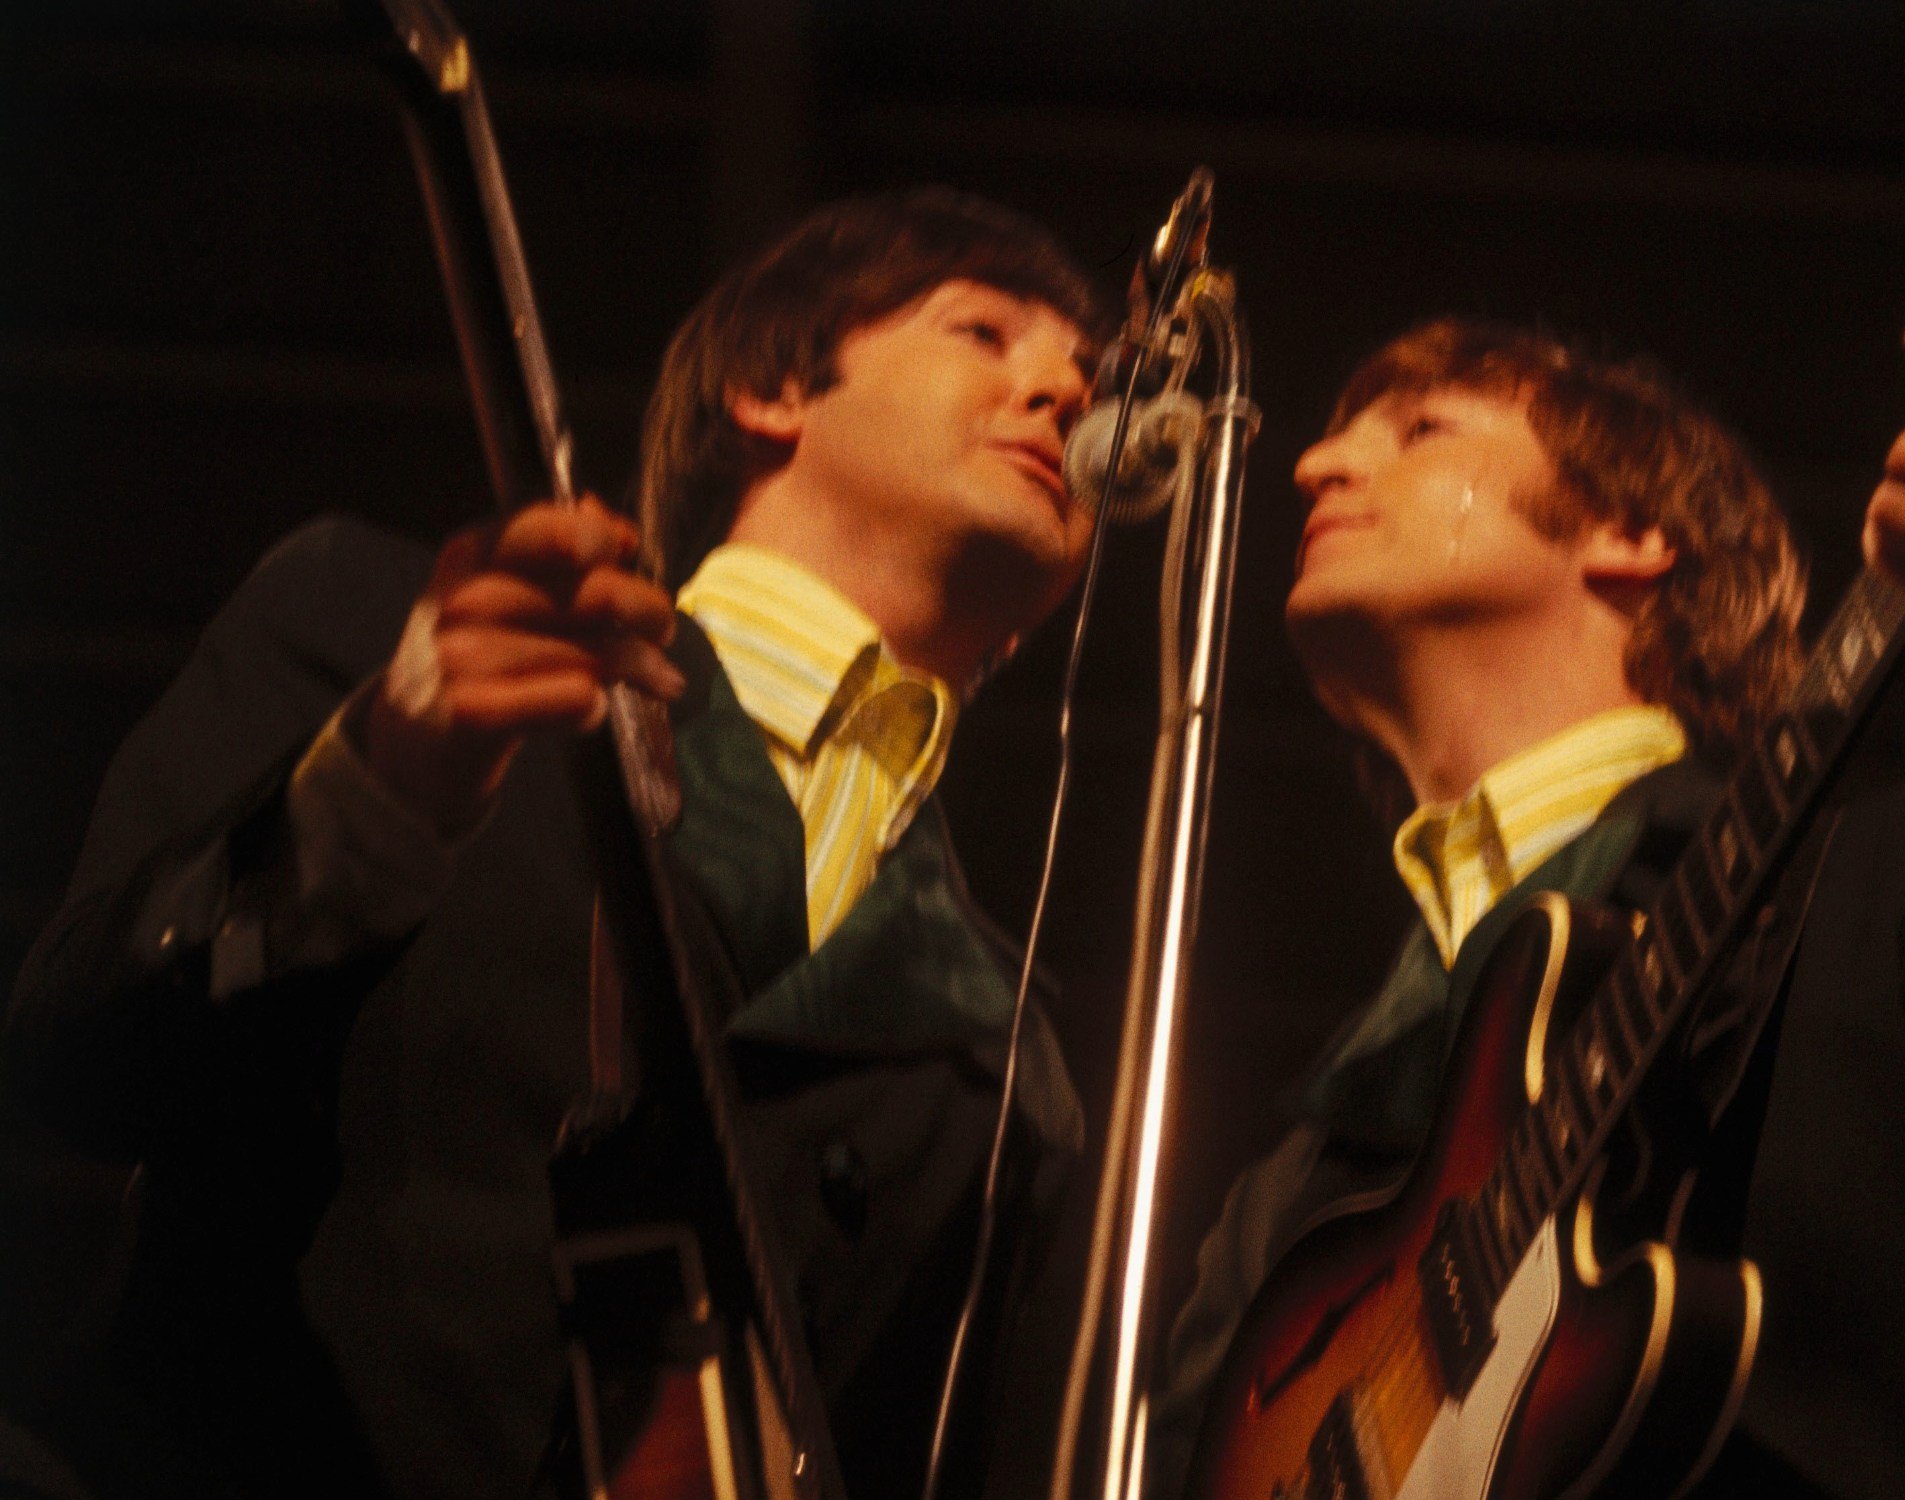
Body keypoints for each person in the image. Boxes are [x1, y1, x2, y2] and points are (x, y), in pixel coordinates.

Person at [5, 188, 1099, 1499]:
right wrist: (372, 797)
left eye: (1085, 382)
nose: (1063, 397)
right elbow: (76, 1062)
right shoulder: (371, 615)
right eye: (984, 333)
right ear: (771, 390)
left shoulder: (1011, 1051)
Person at [1150, 314, 1905, 1497]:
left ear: (1633, 535)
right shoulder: (1290, 1198)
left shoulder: (1882, 881)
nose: (1311, 466)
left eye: (1420, 429)